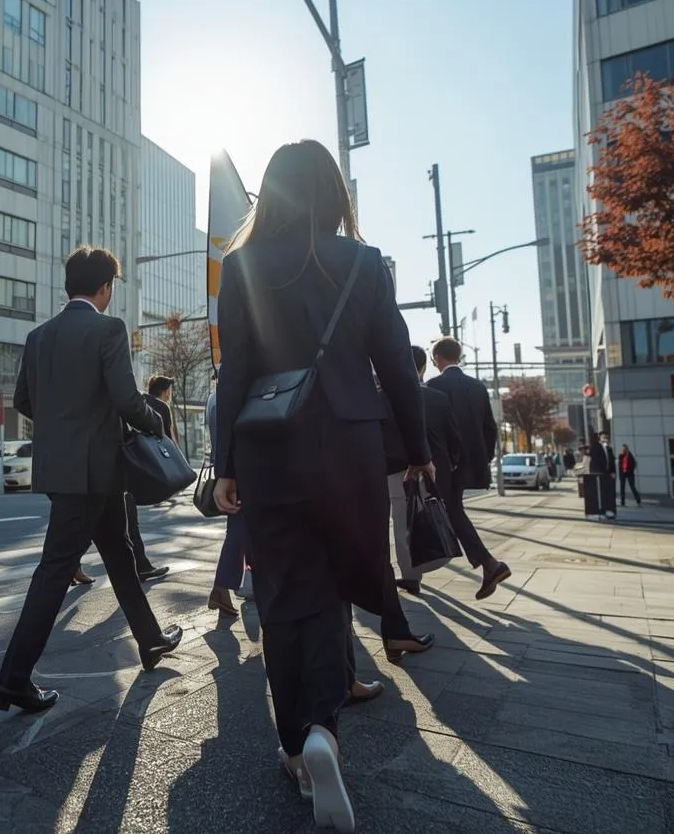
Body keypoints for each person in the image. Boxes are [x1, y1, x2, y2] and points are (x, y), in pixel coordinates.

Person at [212, 140, 434, 833]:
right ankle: (323, 730)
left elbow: (234, 373)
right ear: (336, 196)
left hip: (268, 446)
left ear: (270, 194)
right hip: (348, 443)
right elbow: (396, 365)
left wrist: (224, 466)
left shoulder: (242, 264)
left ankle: (296, 743)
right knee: (335, 582)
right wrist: (419, 452)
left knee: (283, 595)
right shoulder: (363, 262)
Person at [0, 247, 184, 715]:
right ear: (105, 288)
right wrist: (156, 422)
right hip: (97, 468)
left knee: (120, 553)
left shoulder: (38, 336)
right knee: (56, 570)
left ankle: (151, 638)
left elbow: (22, 399)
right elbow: (124, 398)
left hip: (60, 468)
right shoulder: (107, 328)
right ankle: (12, 679)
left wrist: (63, 423)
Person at [426, 338, 515, 600]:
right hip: (471, 462)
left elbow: (432, 429)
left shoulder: (433, 387)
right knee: (453, 510)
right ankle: (488, 565)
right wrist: (483, 458)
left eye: (433, 358)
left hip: (445, 463)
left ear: (438, 358)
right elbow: (490, 427)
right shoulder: (477, 387)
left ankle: (489, 564)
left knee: (451, 510)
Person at [391, 346, 463, 595]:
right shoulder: (437, 398)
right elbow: (453, 439)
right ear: (423, 367)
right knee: (415, 519)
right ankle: (419, 568)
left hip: (394, 469)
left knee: (398, 524)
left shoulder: (386, 395)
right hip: (426, 469)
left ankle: (410, 575)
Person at [123, 374, 175, 581]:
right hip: (119, 461)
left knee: (105, 519)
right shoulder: (158, 408)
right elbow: (166, 438)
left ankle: (140, 565)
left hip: (91, 459)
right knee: (125, 517)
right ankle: (141, 566)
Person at [206, 367, 248, 616]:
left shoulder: (213, 399)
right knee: (239, 528)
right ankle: (221, 587)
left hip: (228, 468)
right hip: (238, 469)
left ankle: (223, 588)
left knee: (238, 528)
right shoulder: (227, 399)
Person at [618, 442, 641, 507]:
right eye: (622, 449)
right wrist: (620, 475)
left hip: (630, 473)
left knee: (632, 487)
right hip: (622, 474)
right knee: (622, 487)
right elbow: (619, 466)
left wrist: (629, 471)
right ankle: (622, 502)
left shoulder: (630, 456)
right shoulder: (620, 456)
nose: (623, 450)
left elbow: (633, 465)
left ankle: (638, 500)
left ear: (627, 449)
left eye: (625, 449)